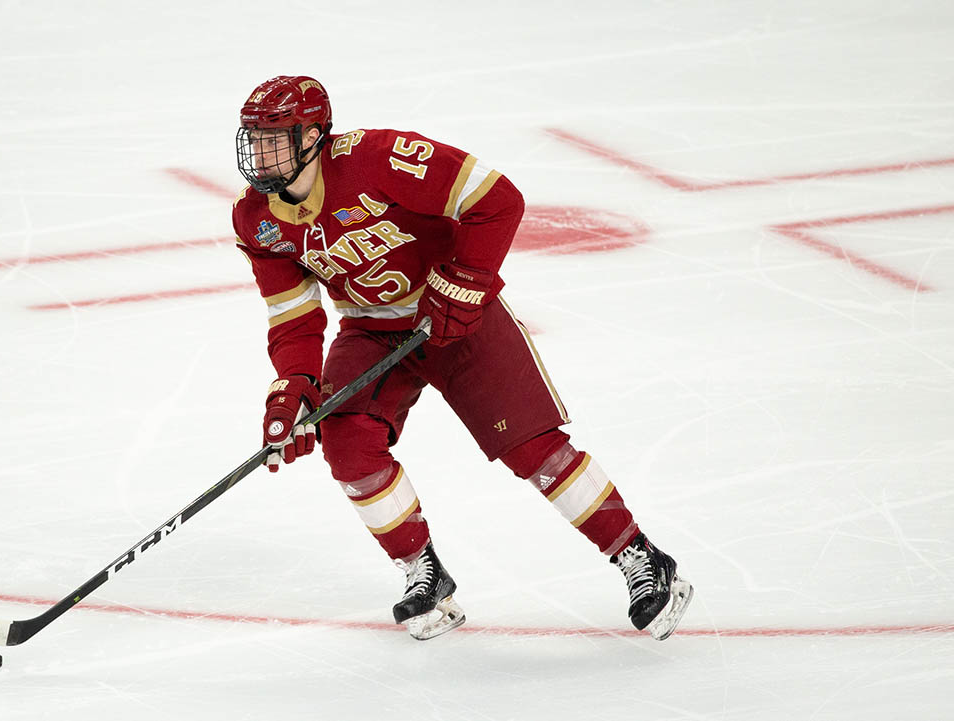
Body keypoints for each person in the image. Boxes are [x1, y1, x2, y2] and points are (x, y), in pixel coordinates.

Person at [230, 75, 693, 641]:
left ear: (316, 136)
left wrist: (466, 282)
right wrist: (295, 383)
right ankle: (423, 574)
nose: (262, 152)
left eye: (277, 137)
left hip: (455, 314)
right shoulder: (257, 219)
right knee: (348, 444)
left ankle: (641, 559)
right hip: (372, 329)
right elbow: (294, 318)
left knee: (533, 448)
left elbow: (498, 200)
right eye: (255, 138)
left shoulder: (379, 161)